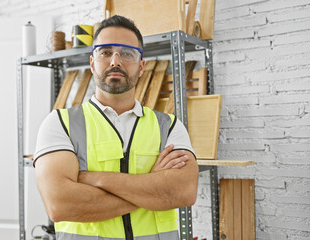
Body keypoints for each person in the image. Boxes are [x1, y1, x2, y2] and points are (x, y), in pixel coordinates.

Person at [34, 15, 199, 240]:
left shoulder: (169, 127)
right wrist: (152, 188)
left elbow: (184, 191)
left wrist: (96, 179)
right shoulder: (60, 124)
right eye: (105, 52)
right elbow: (60, 205)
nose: (115, 61)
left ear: (141, 67)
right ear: (92, 63)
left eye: (127, 53)